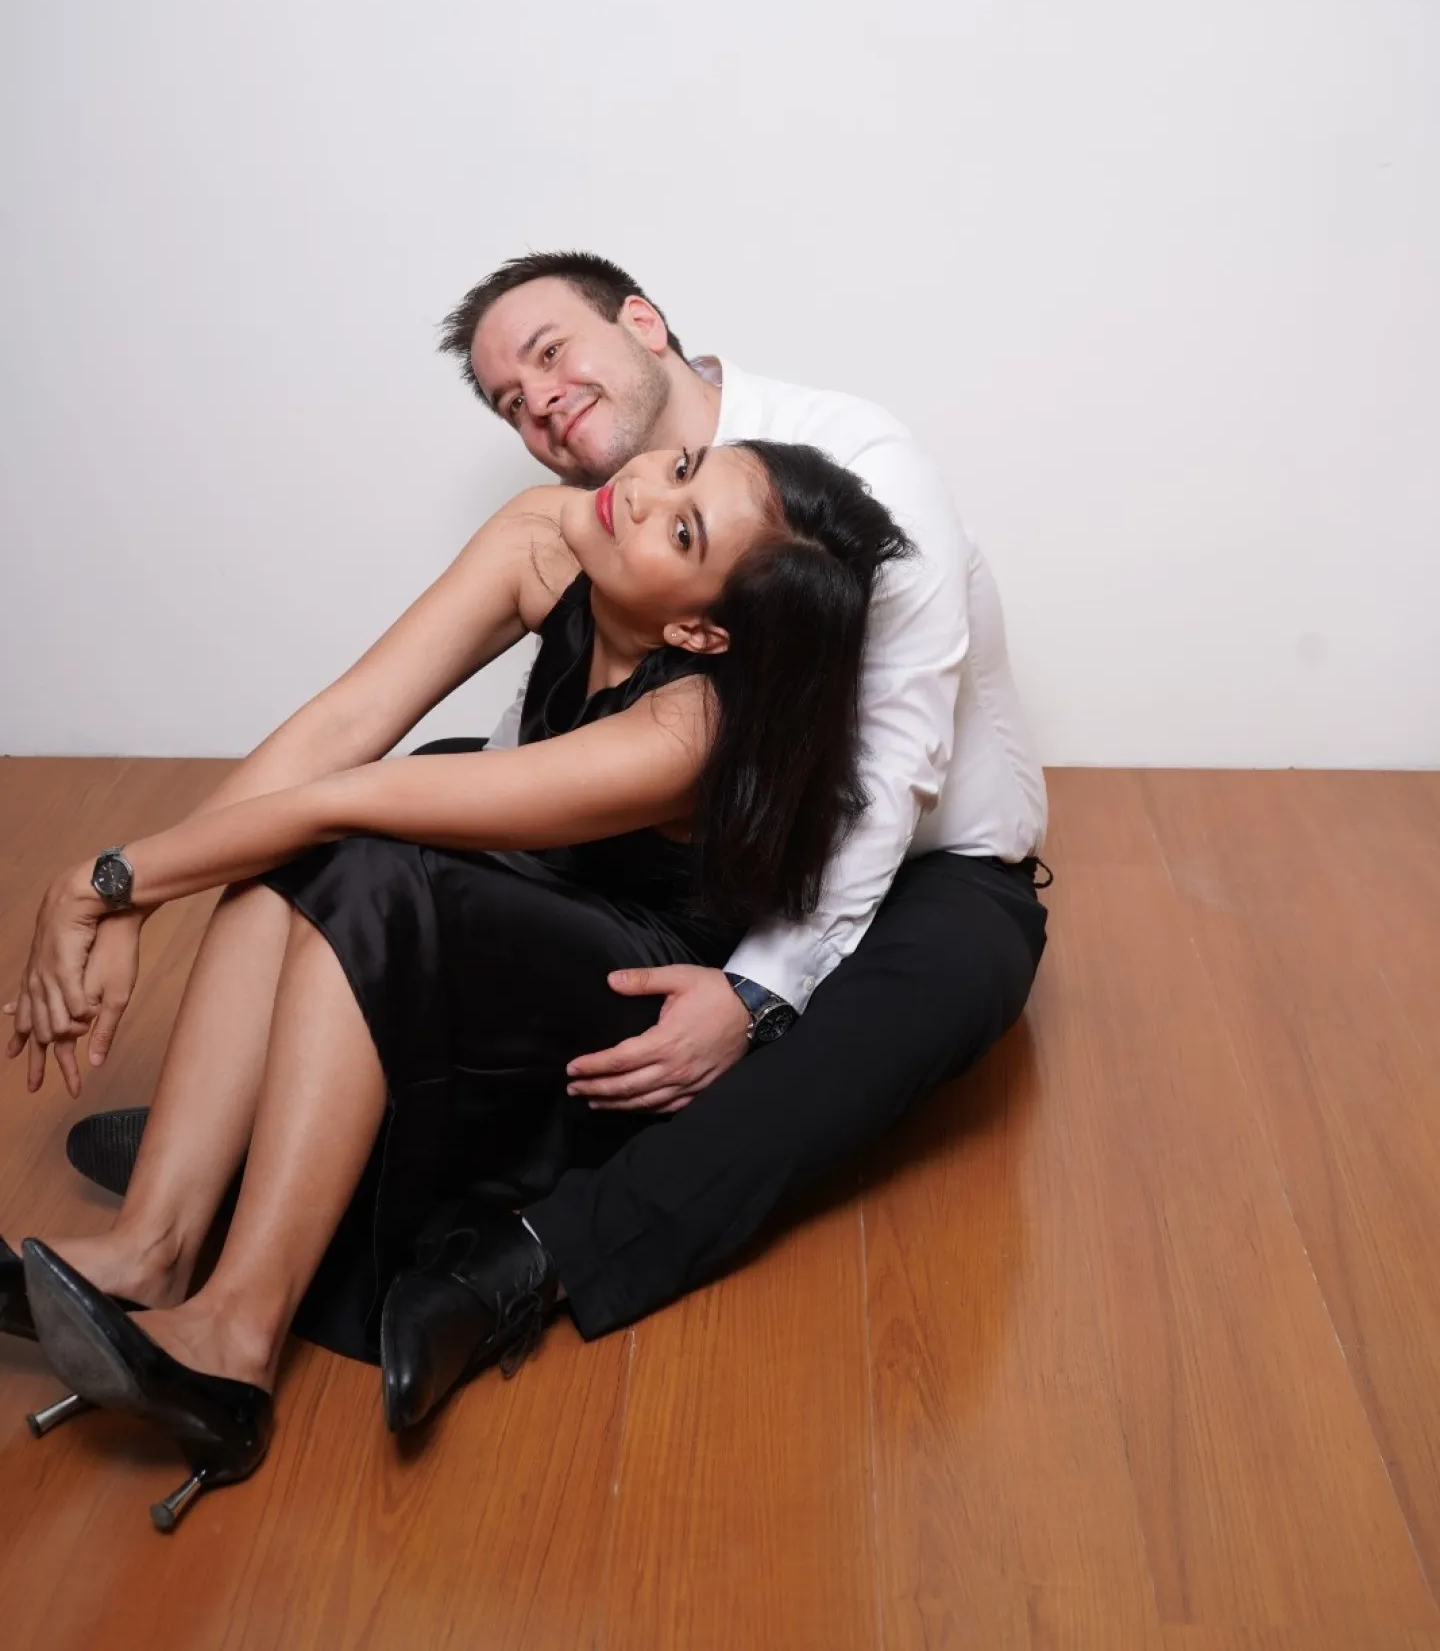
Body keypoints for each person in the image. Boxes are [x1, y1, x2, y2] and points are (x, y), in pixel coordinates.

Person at [54, 253, 1050, 1400]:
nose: (539, 400)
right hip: (669, 850)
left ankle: (490, 1262)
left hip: (933, 865)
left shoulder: (858, 482)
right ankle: (178, 1212)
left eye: (550, 352)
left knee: (834, 1039)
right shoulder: (592, 527)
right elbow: (347, 729)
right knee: (376, 829)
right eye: (507, 399)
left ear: (645, 323)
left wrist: (756, 992)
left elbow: (891, 773)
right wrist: (129, 889)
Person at [2, 436, 911, 1529]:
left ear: (700, 631)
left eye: (683, 530)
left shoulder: (691, 725)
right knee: (351, 824)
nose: (640, 492)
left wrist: (105, 879)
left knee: (364, 850)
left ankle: (235, 1344)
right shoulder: (546, 532)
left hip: (604, 1020)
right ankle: (151, 1245)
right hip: (514, 912)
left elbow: (339, 800)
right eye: (682, 465)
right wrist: (131, 898)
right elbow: (341, 727)